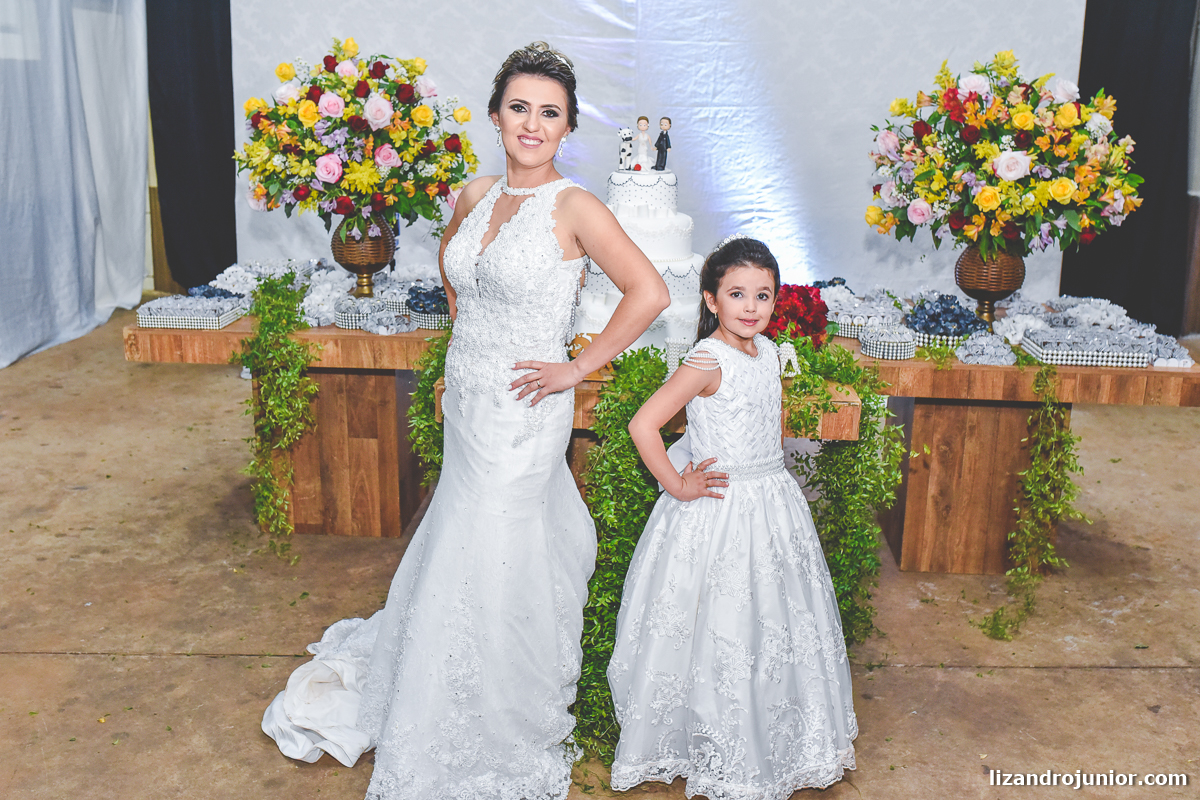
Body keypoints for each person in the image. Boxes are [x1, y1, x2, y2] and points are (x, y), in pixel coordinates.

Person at [261, 42, 670, 800]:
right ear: (495, 115)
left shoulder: (576, 207)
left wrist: (576, 368)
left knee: (496, 544)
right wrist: (461, 355)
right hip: (470, 404)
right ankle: (438, 676)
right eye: (520, 108)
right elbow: (461, 278)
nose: (532, 124)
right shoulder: (475, 194)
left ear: (567, 127)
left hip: (526, 411)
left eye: (550, 113)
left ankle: (492, 709)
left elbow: (649, 292)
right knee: (462, 539)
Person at [607, 236, 857, 799]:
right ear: (711, 299)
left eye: (762, 295)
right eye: (737, 293)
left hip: (772, 505)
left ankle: (774, 731)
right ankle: (716, 739)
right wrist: (678, 483)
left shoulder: (767, 353)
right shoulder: (707, 360)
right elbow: (644, 425)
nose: (751, 306)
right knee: (721, 623)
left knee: (774, 621)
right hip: (721, 511)